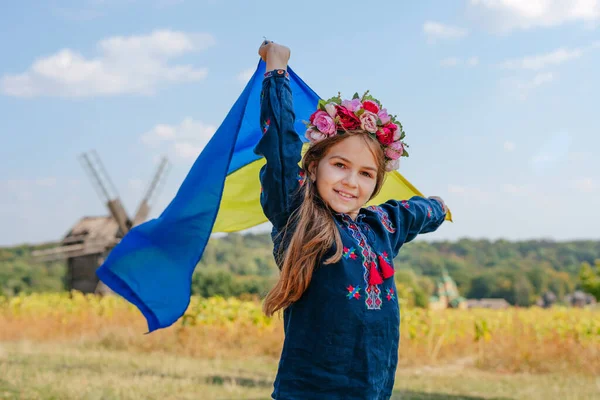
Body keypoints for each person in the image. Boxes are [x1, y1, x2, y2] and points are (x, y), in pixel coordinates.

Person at [255, 40, 448, 400]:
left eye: (365, 173)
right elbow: (280, 145)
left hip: (374, 389)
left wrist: (437, 207)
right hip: (311, 392)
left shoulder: (383, 224)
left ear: (377, 182)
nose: (350, 181)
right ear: (313, 167)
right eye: (340, 165)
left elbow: (416, 213)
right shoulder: (299, 214)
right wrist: (277, 70)